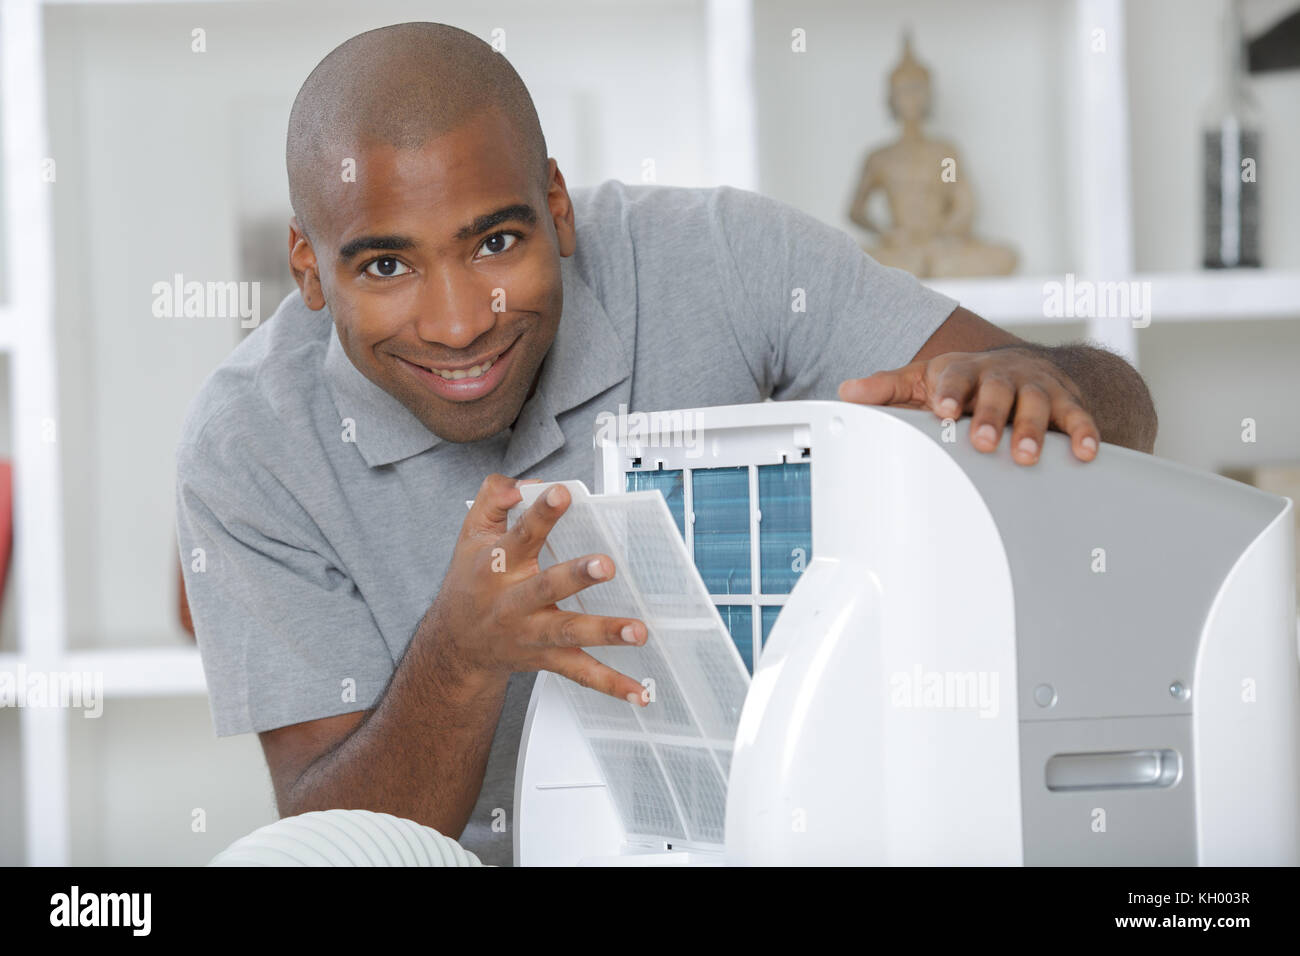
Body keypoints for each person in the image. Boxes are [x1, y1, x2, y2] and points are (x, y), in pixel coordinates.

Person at [175, 22, 1157, 867]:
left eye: (496, 243)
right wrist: (460, 653)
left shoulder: (720, 254)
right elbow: (332, 846)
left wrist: (1048, 386)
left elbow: (1121, 417)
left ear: (555, 206)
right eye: (386, 263)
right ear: (308, 266)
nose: (460, 321)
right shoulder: (246, 445)